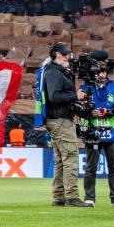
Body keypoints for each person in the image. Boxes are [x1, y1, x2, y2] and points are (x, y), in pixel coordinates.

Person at [37, 45, 91, 207]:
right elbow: (54, 96)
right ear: (58, 55)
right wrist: (76, 95)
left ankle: (59, 196)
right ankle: (72, 196)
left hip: (56, 119)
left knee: (61, 159)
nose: (69, 58)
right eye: (66, 55)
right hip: (60, 119)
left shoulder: (52, 70)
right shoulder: (54, 72)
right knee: (71, 157)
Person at [81, 61, 114, 208]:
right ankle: (89, 198)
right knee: (91, 167)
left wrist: (112, 111)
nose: (103, 74)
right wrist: (90, 112)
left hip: (111, 132)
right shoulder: (86, 87)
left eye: (105, 72)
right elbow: (78, 107)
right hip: (92, 131)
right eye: (100, 72)